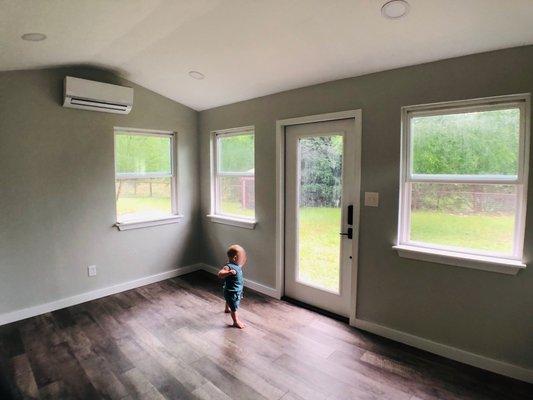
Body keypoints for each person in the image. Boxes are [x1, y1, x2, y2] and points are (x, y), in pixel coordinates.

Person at [218, 244, 246, 328]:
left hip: (234, 290)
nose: (243, 259)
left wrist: (244, 257)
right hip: (232, 291)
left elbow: (242, 263)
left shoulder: (237, 265)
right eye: (241, 257)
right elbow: (220, 274)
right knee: (234, 308)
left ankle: (227, 309)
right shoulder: (228, 267)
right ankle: (236, 322)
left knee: (228, 300)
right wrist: (229, 272)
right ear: (235, 258)